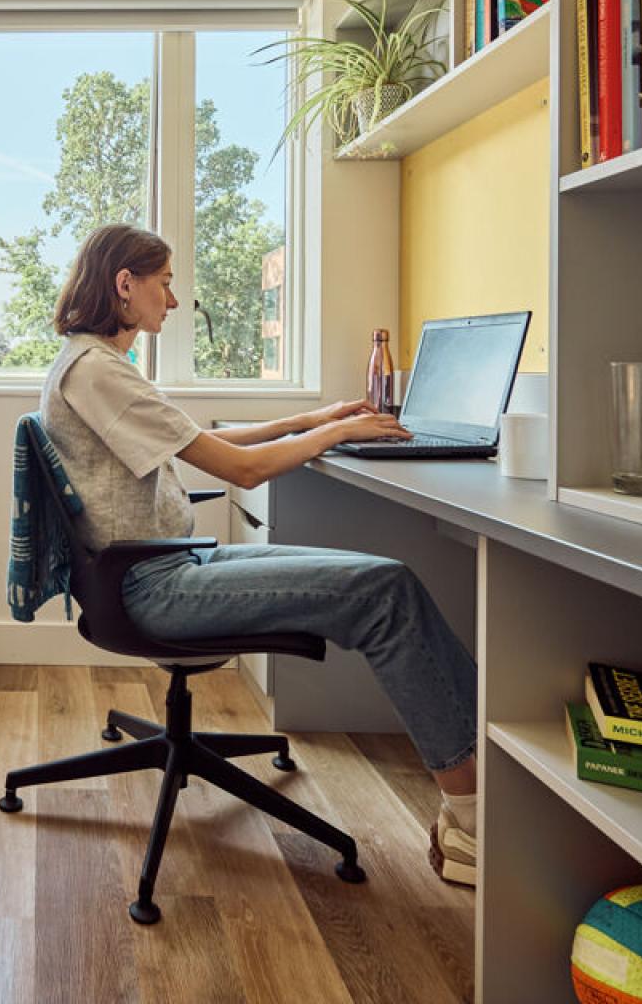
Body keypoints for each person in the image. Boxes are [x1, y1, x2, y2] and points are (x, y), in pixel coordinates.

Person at [39, 222, 479, 885]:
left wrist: (311, 420)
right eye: (165, 283)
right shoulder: (98, 372)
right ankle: (473, 824)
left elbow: (205, 440)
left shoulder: (94, 363)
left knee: (389, 583)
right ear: (124, 285)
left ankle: (481, 766)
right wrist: (337, 433)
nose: (176, 300)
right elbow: (241, 471)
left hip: (162, 565)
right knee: (385, 591)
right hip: (152, 586)